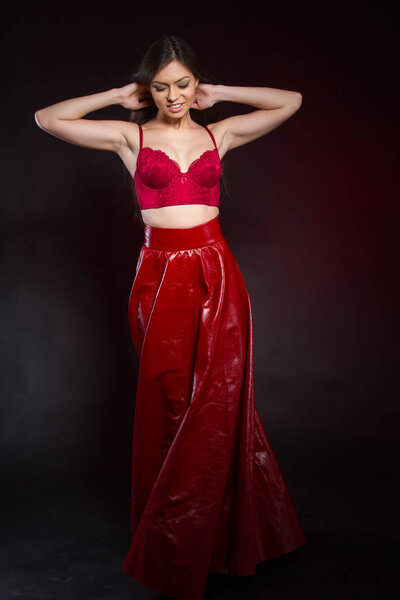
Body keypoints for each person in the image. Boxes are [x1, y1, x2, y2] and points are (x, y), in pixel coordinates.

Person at [35, 34, 307, 600]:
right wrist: (117, 95)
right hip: (159, 276)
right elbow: (47, 117)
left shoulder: (218, 132)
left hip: (217, 270)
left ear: (195, 85)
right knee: (171, 398)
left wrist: (219, 93)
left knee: (218, 399)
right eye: (162, 86)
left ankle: (221, 536)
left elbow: (291, 101)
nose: (173, 95)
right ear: (148, 89)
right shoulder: (130, 136)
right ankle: (174, 537)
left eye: (182, 84)